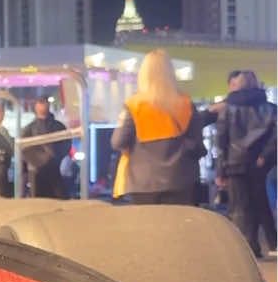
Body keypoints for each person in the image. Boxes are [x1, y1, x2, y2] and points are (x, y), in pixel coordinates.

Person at [110, 50, 208, 206]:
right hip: (180, 180)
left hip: (143, 183)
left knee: (149, 229)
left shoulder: (134, 105)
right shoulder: (186, 104)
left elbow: (118, 142)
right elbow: (197, 145)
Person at [215, 70, 277, 257]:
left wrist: (220, 170)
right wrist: (264, 156)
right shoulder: (269, 108)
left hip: (234, 163)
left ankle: (246, 248)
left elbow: (221, 141)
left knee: (239, 206)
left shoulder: (228, 108)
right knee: (260, 203)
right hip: (259, 164)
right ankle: (267, 243)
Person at [21, 97, 71, 199]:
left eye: (45, 102)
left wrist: (53, 157)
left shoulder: (59, 126)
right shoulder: (28, 129)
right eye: (40, 103)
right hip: (36, 173)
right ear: (35, 106)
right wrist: (42, 159)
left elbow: (65, 144)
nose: (43, 105)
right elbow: (25, 150)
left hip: (55, 170)